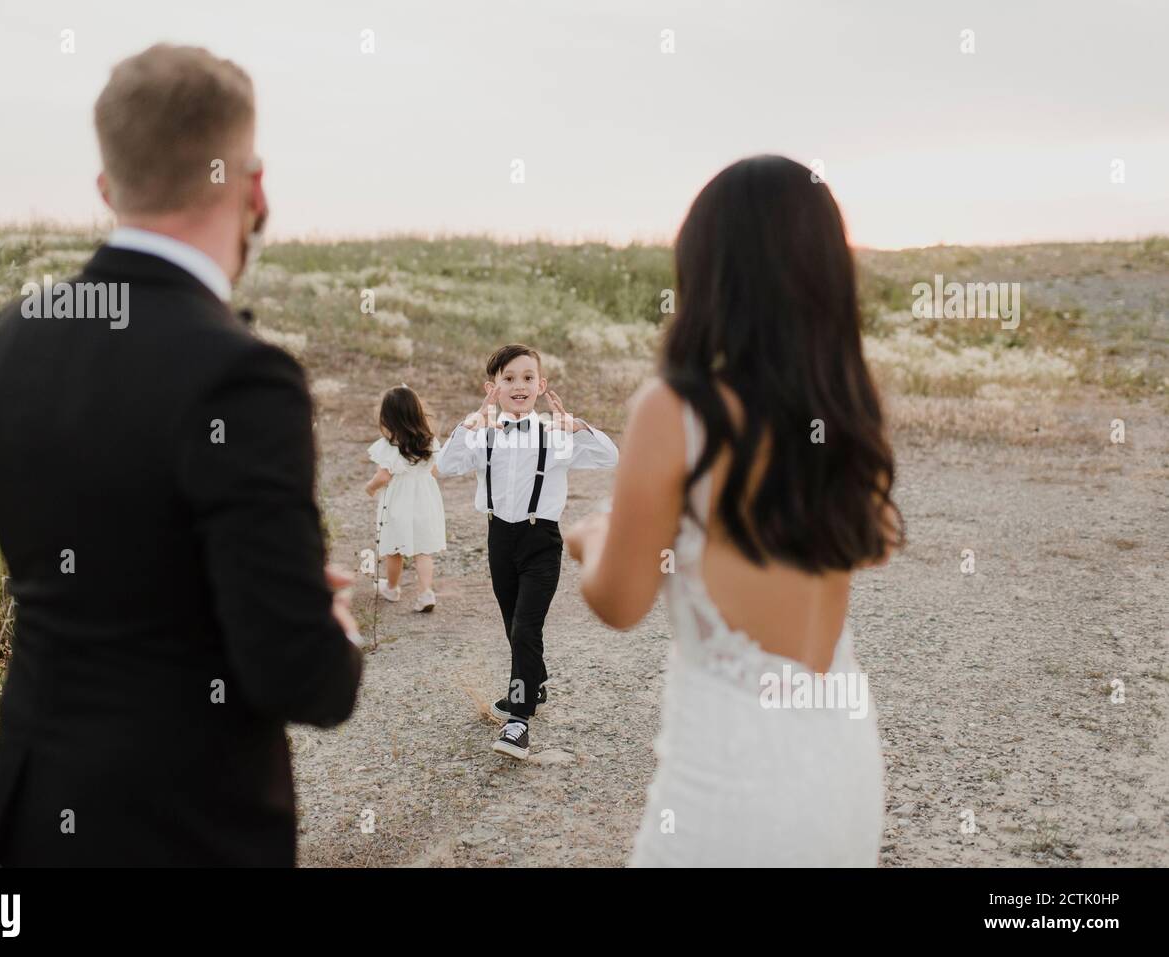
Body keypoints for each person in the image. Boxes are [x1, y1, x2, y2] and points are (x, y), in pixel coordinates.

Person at [0, 44, 362, 866]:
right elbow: (301, 678)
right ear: (253, 186)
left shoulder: (12, 338)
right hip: (181, 826)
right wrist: (319, 620)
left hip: (28, 813)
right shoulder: (241, 375)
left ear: (110, 188)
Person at [566, 155, 903, 865]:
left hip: (736, 781)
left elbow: (620, 601)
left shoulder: (677, 410)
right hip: (843, 763)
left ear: (708, 271)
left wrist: (592, 538)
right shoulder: (842, 403)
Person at [437, 344, 618, 759]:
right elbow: (446, 466)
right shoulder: (483, 433)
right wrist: (470, 423)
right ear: (493, 387)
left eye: (527, 378)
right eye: (509, 379)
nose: (519, 385)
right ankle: (534, 681)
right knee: (511, 622)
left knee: (525, 627)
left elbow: (610, 457)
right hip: (499, 538)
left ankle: (518, 721)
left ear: (541, 385)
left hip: (542, 542)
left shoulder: (555, 435)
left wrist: (577, 426)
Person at [365, 385, 446, 613]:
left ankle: (392, 588)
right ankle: (426, 592)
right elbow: (434, 471)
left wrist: (370, 488)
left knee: (395, 548)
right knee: (423, 549)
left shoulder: (390, 446)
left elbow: (383, 475)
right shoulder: (429, 441)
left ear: (388, 418)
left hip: (398, 501)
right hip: (425, 498)